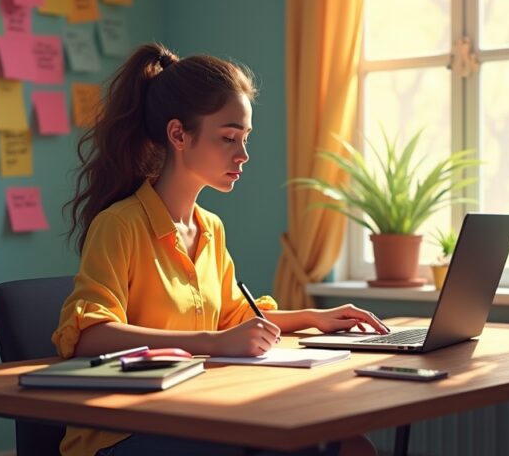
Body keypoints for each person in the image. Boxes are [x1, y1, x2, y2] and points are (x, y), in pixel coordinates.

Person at [52, 43, 389, 456]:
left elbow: (237, 319)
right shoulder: (119, 225)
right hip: (123, 432)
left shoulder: (210, 228)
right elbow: (90, 336)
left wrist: (315, 319)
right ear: (179, 135)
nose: (242, 155)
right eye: (229, 138)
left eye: (245, 139)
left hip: (195, 413)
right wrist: (213, 342)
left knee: (354, 446)